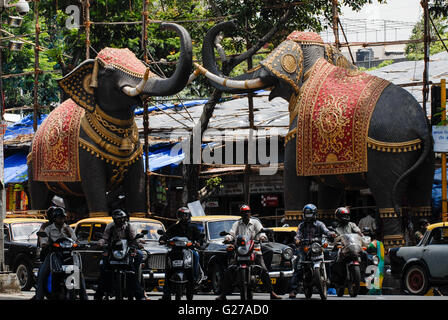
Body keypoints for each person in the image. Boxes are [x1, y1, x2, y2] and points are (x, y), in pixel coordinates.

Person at [216, 204, 282, 300]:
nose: (246, 214)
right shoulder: (237, 224)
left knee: (263, 270)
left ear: (250, 213)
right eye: (243, 213)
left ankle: (272, 293)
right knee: (229, 270)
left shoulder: (255, 223)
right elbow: (231, 234)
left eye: (247, 212)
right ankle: (223, 294)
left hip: (255, 249)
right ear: (241, 214)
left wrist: (262, 237)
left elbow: (261, 232)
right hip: (240, 250)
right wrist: (227, 238)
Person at [35, 207, 87, 300]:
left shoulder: (68, 228)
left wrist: (72, 237)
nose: (62, 220)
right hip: (53, 255)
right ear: (54, 218)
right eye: (59, 218)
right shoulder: (48, 228)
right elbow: (43, 241)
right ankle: (39, 296)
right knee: (42, 273)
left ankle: (83, 296)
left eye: (63, 218)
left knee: (78, 272)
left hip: (68, 256)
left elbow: (75, 240)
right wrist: (46, 244)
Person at [94, 208, 146, 300]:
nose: (120, 220)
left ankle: (140, 295)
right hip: (112, 251)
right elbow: (105, 237)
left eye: (122, 218)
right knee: (104, 267)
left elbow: (134, 238)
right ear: (114, 219)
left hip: (127, 251)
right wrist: (101, 242)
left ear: (125, 218)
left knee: (138, 259)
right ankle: (99, 294)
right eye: (118, 219)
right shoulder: (110, 227)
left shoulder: (130, 227)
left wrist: (139, 243)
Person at [289, 204, 336, 299]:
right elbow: (298, 235)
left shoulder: (320, 224)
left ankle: (329, 278)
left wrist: (331, 234)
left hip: (317, 246)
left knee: (328, 255)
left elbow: (326, 231)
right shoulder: (301, 225)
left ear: (314, 214)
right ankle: (293, 290)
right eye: (306, 214)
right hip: (305, 248)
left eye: (309, 214)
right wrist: (297, 239)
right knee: (299, 265)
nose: (308, 216)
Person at [159, 207, 204, 300]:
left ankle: (195, 276)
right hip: (175, 251)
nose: (184, 217)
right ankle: (166, 292)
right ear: (179, 216)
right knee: (168, 263)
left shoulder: (193, 227)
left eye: (186, 215)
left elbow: (199, 237)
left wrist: (199, 242)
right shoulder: (174, 227)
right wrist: (163, 240)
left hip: (189, 251)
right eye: (182, 215)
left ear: (189, 216)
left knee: (196, 255)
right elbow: (166, 235)